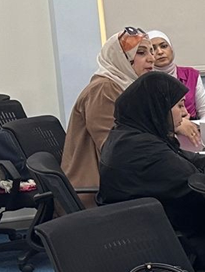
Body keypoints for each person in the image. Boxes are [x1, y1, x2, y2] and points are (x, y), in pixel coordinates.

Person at [97, 73, 205, 272]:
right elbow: (197, 182)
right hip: (176, 244)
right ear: (159, 108)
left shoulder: (130, 134)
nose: (185, 113)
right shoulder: (142, 150)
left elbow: (184, 159)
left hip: (149, 230)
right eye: (179, 106)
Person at [62, 27, 155, 195]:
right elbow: (114, 148)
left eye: (151, 51)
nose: (151, 58)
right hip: (97, 189)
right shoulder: (104, 89)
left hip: (120, 179)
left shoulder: (126, 87)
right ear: (121, 58)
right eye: (141, 53)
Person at [146, 30, 205, 147]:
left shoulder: (191, 75)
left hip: (194, 136)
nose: (160, 52)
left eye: (164, 46)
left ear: (171, 49)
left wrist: (196, 128)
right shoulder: (144, 80)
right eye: (153, 49)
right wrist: (175, 126)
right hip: (160, 139)